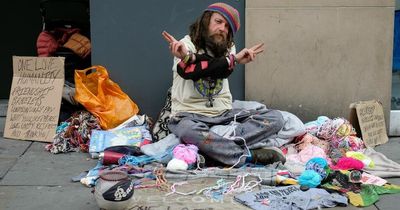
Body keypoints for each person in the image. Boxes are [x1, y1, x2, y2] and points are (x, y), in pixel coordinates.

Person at [162, 2, 286, 168]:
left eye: (227, 27)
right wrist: (188, 57)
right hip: (189, 116)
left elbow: (221, 70)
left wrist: (231, 60)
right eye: (218, 22)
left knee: (276, 118)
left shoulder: (228, 48)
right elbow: (193, 71)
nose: (222, 29)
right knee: (187, 131)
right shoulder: (186, 45)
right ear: (206, 21)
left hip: (224, 114)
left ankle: (212, 152)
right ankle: (246, 156)